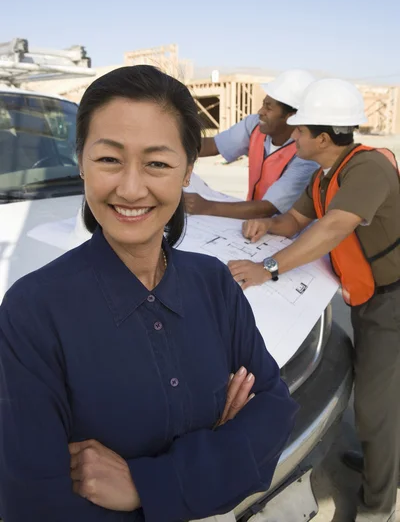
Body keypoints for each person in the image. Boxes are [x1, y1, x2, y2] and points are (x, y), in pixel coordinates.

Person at [0, 65, 298, 522]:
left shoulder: (214, 283)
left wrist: (145, 484)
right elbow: (37, 500)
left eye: (157, 162)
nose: (132, 187)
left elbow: (274, 412)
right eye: (109, 160)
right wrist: (219, 445)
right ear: (81, 161)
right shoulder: (33, 311)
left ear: (187, 172)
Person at [227, 78, 400, 522]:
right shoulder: (325, 176)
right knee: (378, 397)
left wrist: (268, 269)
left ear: (323, 137)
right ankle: (385, 467)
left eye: (300, 131)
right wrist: (265, 227)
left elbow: (331, 228)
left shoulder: (368, 169)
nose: (292, 135)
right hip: (366, 296)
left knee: (377, 405)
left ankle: (378, 506)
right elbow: (295, 221)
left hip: (393, 300)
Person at [184, 69, 318, 219]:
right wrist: (172, 148)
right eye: (263, 104)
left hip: (283, 232)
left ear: (291, 116)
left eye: (269, 107)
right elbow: (214, 145)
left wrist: (207, 207)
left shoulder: (307, 155)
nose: (261, 111)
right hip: (253, 222)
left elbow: (267, 208)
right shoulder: (255, 125)